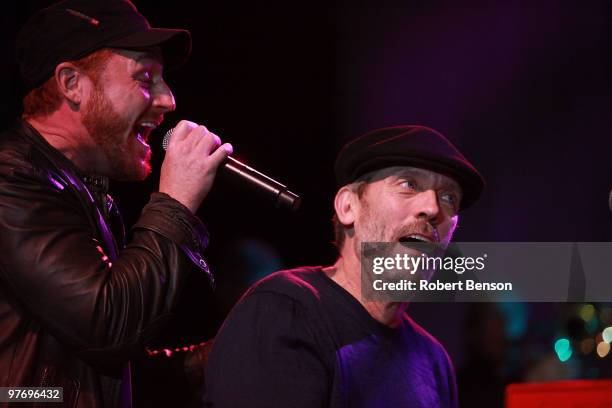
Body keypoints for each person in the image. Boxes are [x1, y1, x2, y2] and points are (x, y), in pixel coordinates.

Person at [0, 1, 232, 406]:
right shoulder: (11, 179)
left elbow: (96, 374)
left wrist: (220, 359)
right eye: (146, 77)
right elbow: (106, 328)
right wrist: (175, 202)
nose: (168, 100)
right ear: (72, 83)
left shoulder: (86, 193)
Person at [204, 125, 485, 407]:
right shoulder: (285, 310)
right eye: (409, 184)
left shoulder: (434, 362)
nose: (434, 208)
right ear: (348, 206)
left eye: (449, 197)